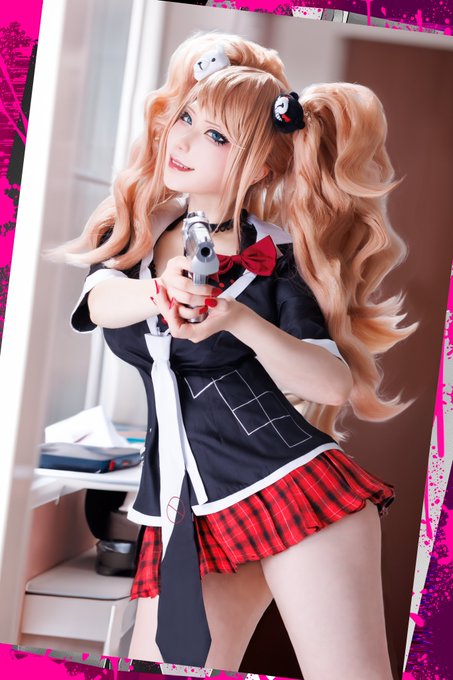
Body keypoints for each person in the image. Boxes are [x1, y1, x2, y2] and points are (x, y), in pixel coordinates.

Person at [61, 32, 416, 680]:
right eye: (186, 118)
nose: (183, 140)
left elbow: (332, 384)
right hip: (182, 509)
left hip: (293, 492)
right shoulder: (135, 230)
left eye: (216, 136)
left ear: (262, 168)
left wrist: (240, 321)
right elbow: (99, 303)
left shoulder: (276, 262)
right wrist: (159, 290)